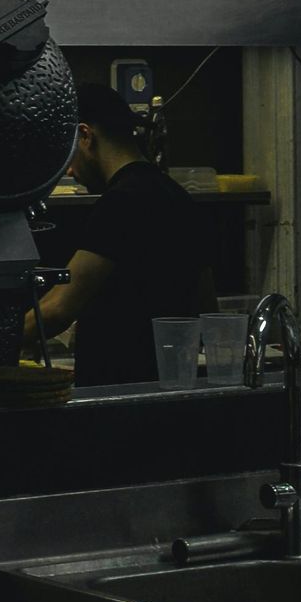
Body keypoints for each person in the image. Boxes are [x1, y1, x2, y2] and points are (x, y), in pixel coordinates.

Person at [29, 82, 208, 387]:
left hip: (117, 394)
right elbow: (208, 301)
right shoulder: (178, 197)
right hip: (167, 389)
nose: (69, 172)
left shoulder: (123, 202)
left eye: (67, 155)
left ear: (85, 136)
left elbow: (58, 309)